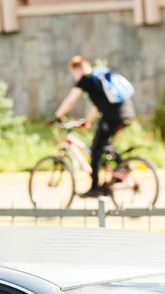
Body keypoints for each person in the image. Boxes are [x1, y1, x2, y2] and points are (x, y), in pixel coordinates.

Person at [53, 56, 135, 198]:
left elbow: (70, 101)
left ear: (78, 68)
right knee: (104, 143)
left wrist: (57, 116)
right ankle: (123, 166)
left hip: (113, 116)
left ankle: (95, 187)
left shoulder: (86, 79)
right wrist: (87, 121)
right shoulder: (99, 79)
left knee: (96, 148)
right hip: (126, 113)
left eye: (73, 73)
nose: (75, 77)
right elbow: (99, 106)